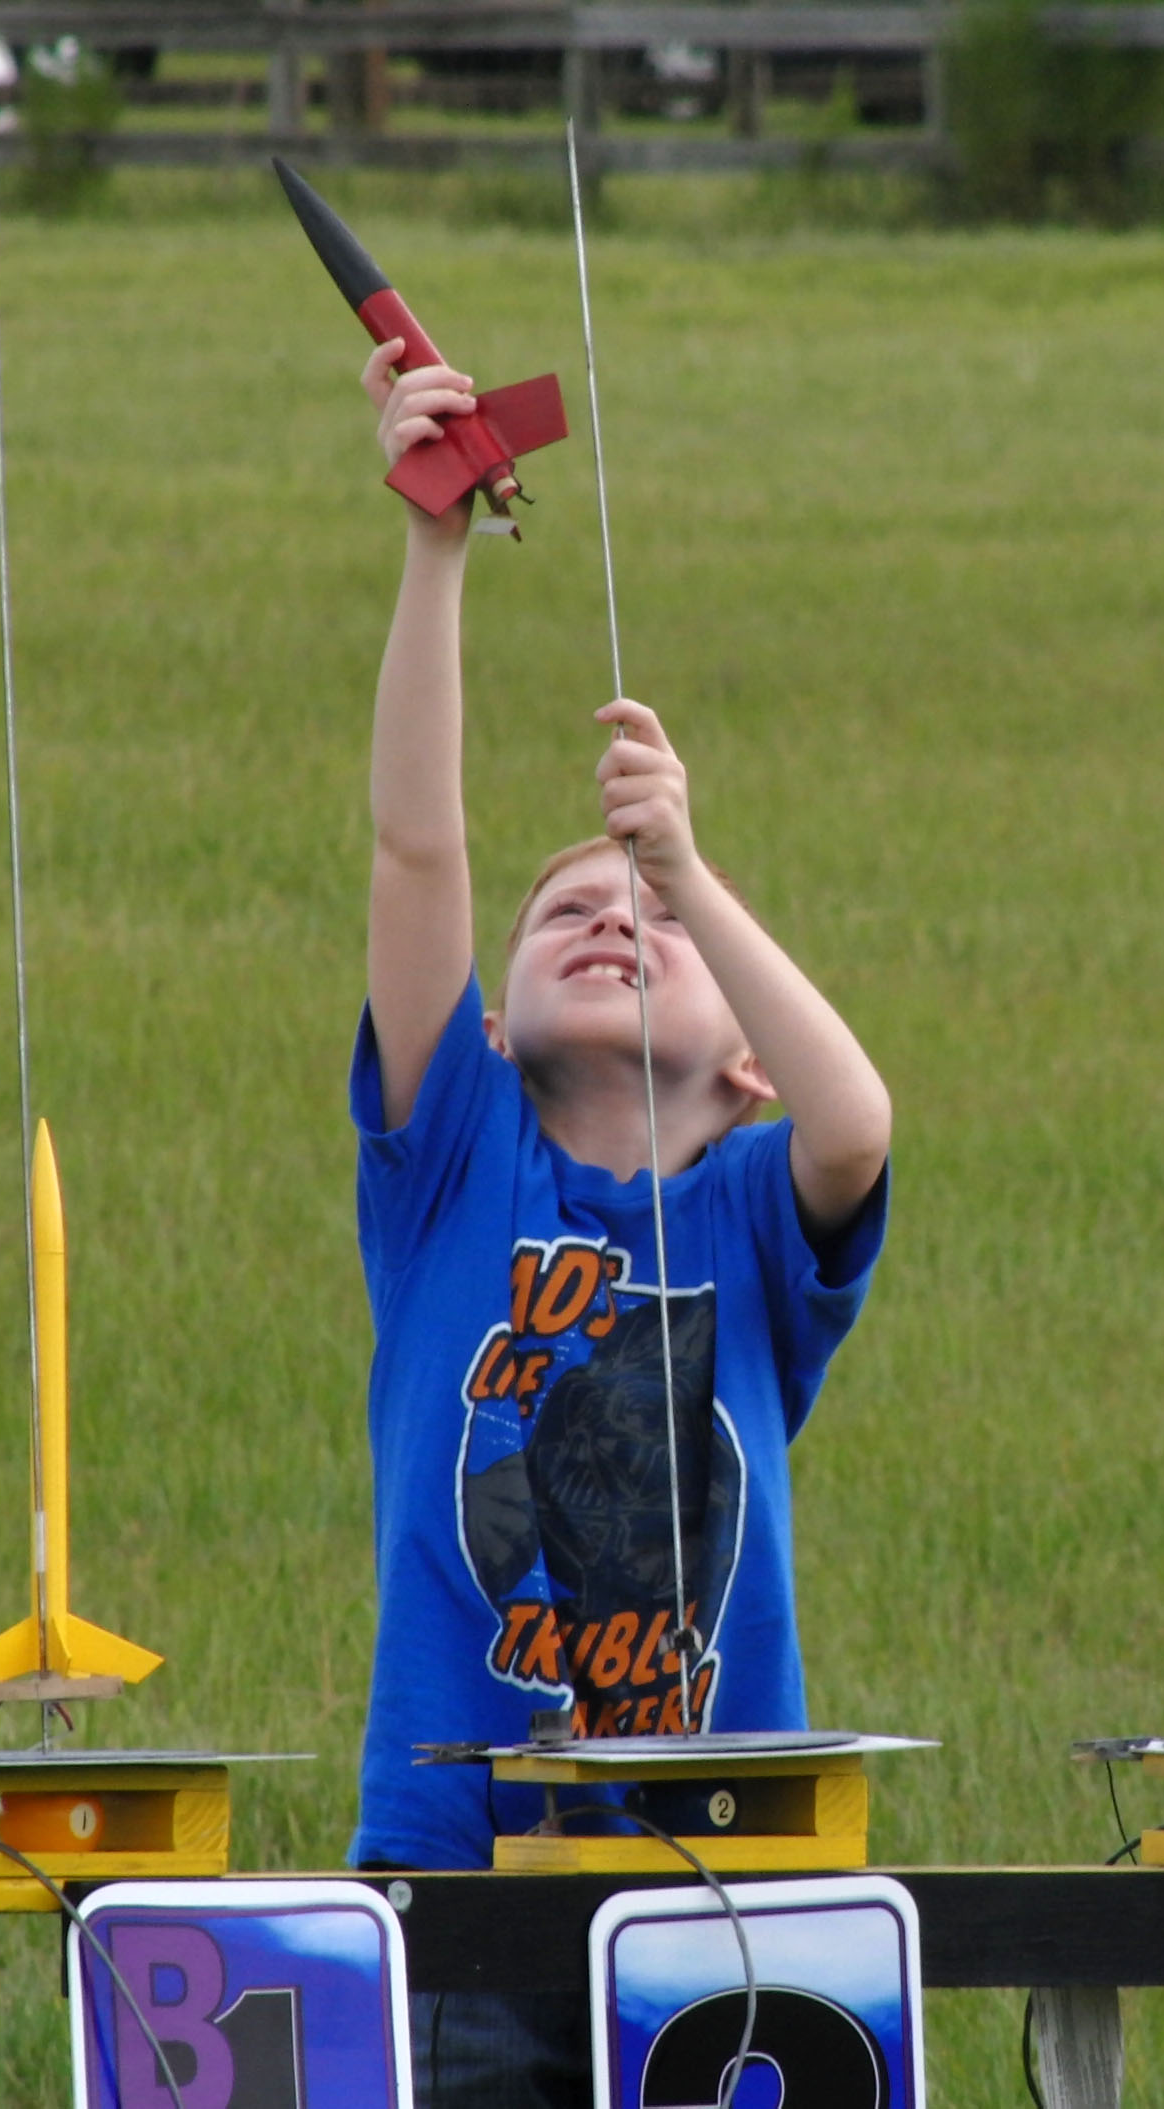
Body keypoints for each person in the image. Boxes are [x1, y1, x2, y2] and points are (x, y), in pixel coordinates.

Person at [349, 342, 893, 2106]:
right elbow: (417, 854)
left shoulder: (749, 1208)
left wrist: (689, 874)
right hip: (456, 1881)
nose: (607, 915)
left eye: (643, 921)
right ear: (494, 1030)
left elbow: (859, 1121)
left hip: (724, 1882)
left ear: (743, 1060)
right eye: (566, 910)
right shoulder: (454, 1161)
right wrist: (434, 547)